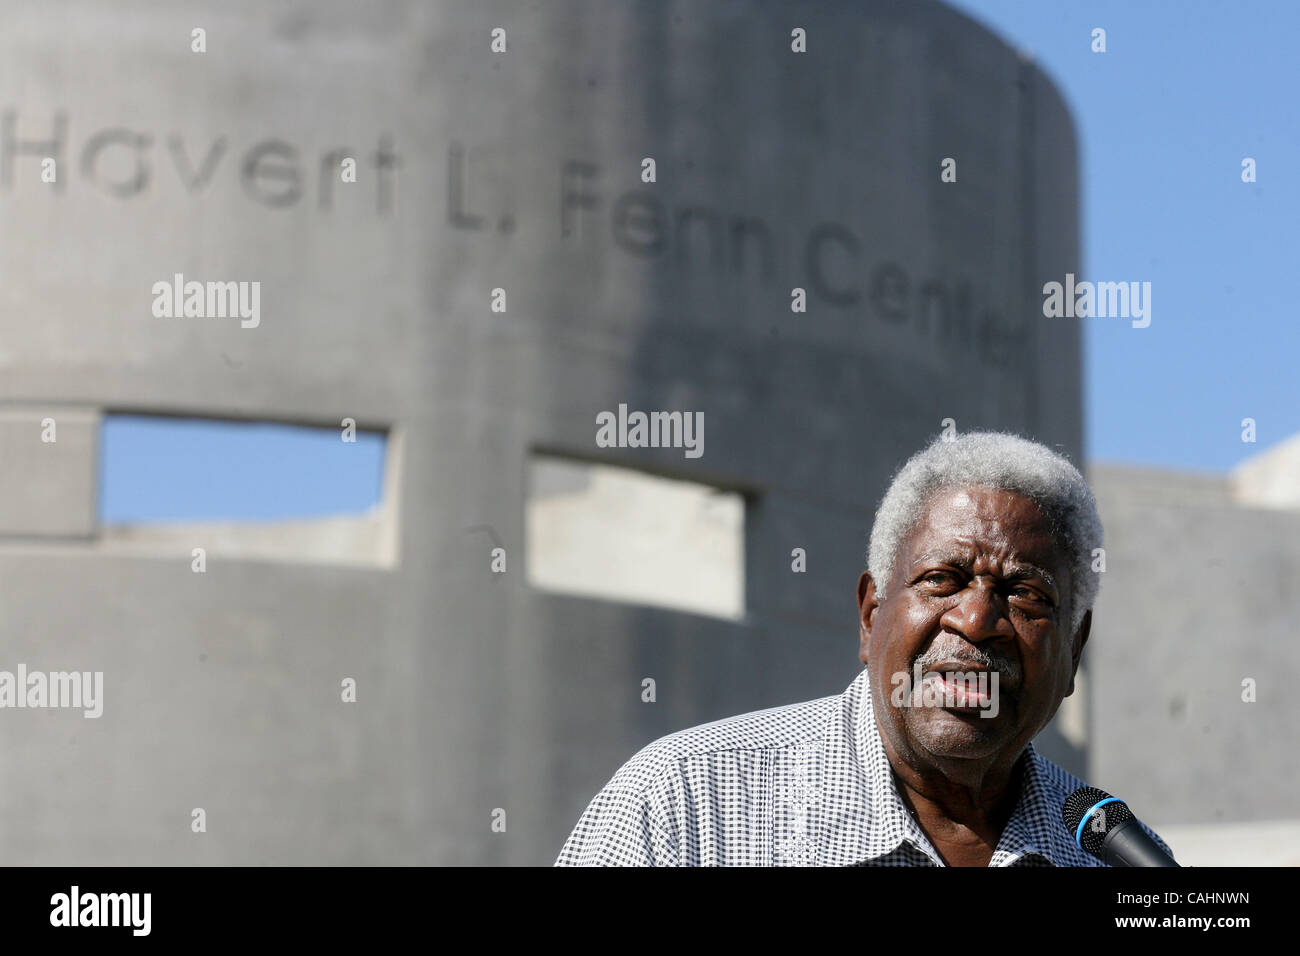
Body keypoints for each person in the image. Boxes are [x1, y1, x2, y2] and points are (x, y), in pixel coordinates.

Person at [555, 431, 1175, 866]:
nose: (978, 619)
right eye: (942, 580)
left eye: (1026, 595)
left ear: (1075, 647)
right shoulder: (686, 807)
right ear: (870, 614)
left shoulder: (1121, 860)